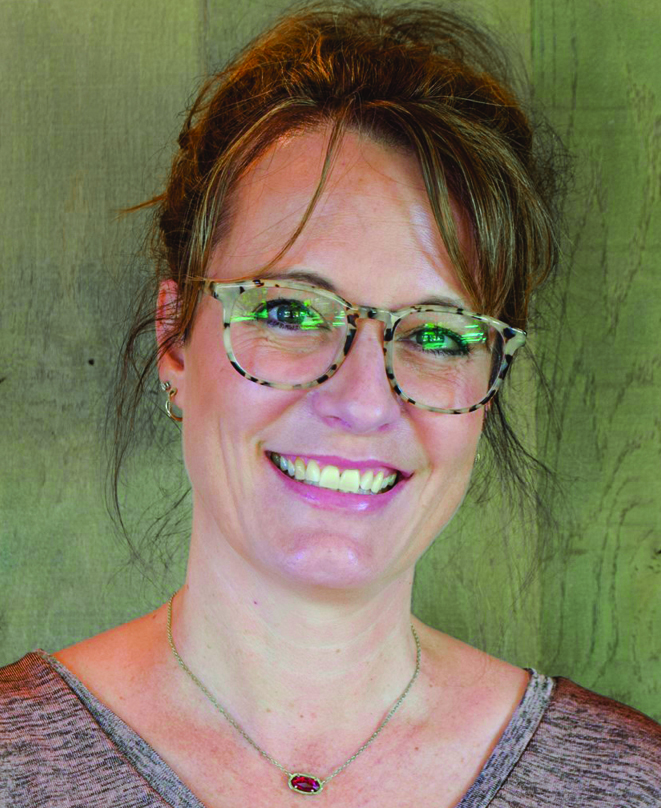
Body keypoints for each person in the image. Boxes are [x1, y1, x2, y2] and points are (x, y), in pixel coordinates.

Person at [1, 3, 659, 806]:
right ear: (176, 339)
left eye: (439, 335)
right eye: (288, 312)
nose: (361, 400)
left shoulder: (630, 784)